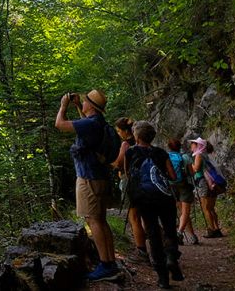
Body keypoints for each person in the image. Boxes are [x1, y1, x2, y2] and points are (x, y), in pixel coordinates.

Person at [55, 89, 119, 282]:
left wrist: (63, 106)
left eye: (84, 102)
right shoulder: (97, 122)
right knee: (101, 219)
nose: (82, 102)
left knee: (93, 220)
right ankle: (110, 262)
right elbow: (86, 127)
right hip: (99, 177)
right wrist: (76, 106)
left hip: (88, 178)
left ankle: (105, 265)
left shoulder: (90, 124)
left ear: (90, 106)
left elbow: (59, 124)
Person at [125, 121, 184, 289]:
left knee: (153, 235)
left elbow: (129, 175)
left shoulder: (131, 152)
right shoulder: (160, 152)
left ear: (136, 136)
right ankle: (172, 257)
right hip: (164, 198)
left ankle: (163, 279)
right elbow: (173, 176)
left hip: (144, 200)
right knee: (170, 230)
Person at [113, 117, 148, 261]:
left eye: (119, 130)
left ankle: (141, 251)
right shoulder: (142, 143)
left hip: (130, 182)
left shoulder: (126, 144)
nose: (118, 133)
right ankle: (163, 245)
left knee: (134, 217)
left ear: (125, 131)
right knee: (147, 215)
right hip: (144, 181)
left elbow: (118, 163)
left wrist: (107, 161)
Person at [167, 138, 198, 245]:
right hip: (184, 185)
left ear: (169, 147)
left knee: (182, 212)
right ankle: (179, 234)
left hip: (171, 185)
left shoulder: (166, 157)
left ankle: (192, 236)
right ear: (180, 146)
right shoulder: (185, 157)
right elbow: (191, 173)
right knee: (186, 212)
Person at [190, 137, 222, 237]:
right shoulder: (206, 155)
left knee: (206, 208)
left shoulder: (199, 155)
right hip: (211, 182)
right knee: (211, 208)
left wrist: (189, 164)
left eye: (193, 144)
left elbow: (196, 168)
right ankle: (217, 228)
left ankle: (212, 229)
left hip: (203, 182)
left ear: (198, 146)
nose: (191, 146)